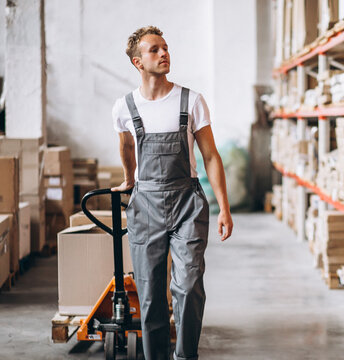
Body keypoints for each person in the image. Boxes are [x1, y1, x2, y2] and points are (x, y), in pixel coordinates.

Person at [111, 25, 233, 360]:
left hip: (187, 203)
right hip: (145, 203)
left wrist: (224, 207)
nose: (164, 53)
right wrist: (128, 179)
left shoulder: (191, 100)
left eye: (165, 47)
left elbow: (210, 155)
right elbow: (126, 147)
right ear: (138, 62)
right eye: (154, 49)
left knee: (189, 286)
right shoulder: (124, 107)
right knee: (150, 294)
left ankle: (185, 356)